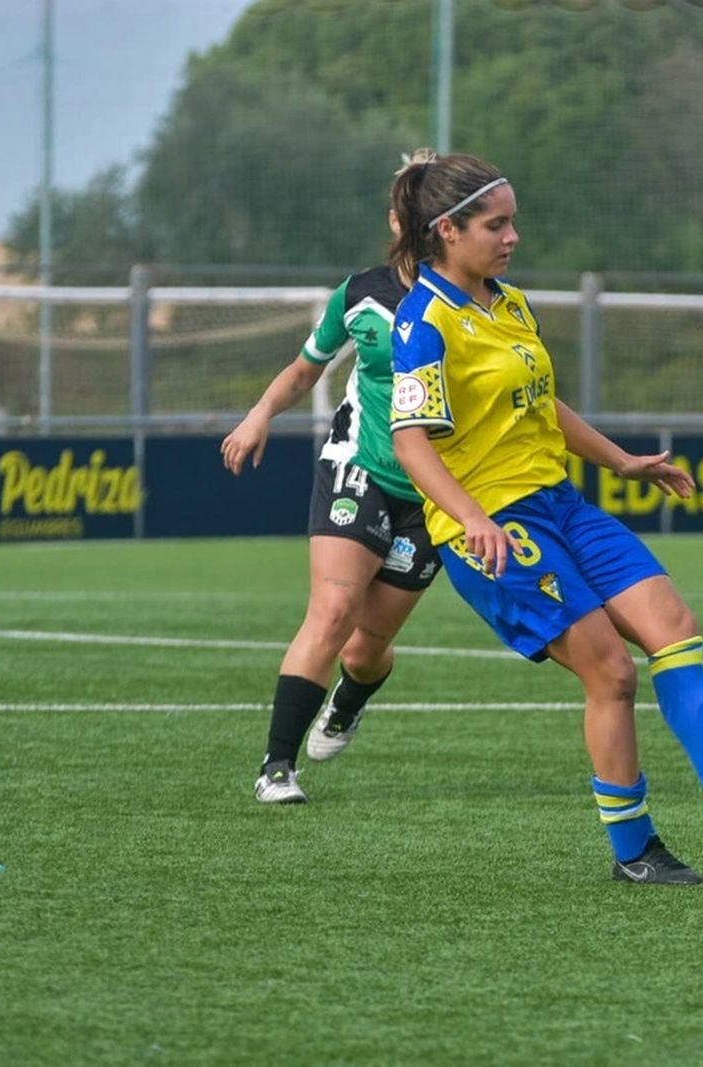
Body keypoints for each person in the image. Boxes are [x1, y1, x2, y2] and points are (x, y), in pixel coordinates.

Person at [387, 150, 703, 885]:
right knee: (613, 672)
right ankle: (635, 852)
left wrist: (620, 460)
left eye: (513, 222)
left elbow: (542, 402)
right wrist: (470, 518)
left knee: (672, 627)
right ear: (449, 231)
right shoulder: (424, 322)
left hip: (560, 502)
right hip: (496, 527)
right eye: (496, 224)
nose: (512, 236)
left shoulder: (509, 302)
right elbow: (410, 443)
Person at [221, 156, 442, 805]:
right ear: (400, 220)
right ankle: (277, 766)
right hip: (358, 464)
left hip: (435, 494)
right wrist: (260, 413)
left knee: (367, 648)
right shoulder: (361, 294)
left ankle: (349, 699)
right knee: (334, 608)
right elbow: (305, 368)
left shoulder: (478, 306)